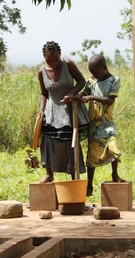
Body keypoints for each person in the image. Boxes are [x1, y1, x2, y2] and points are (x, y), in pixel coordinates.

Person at [37, 41, 89, 183]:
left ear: (60, 55)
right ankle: (49, 173)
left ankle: (74, 176)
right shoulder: (41, 72)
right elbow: (43, 93)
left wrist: (71, 94)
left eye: (55, 59)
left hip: (69, 110)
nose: (53, 62)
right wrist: (41, 111)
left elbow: (81, 81)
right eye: (49, 60)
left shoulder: (68, 64)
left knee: (70, 142)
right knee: (47, 140)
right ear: (44, 57)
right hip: (52, 111)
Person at [80, 54, 125, 196]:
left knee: (112, 144)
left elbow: (110, 100)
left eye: (97, 73)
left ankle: (115, 174)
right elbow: (83, 94)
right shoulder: (91, 82)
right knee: (92, 155)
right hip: (93, 124)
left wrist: (92, 97)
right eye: (92, 73)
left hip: (107, 122)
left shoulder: (114, 80)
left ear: (105, 68)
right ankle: (89, 184)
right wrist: (76, 96)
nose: (95, 76)